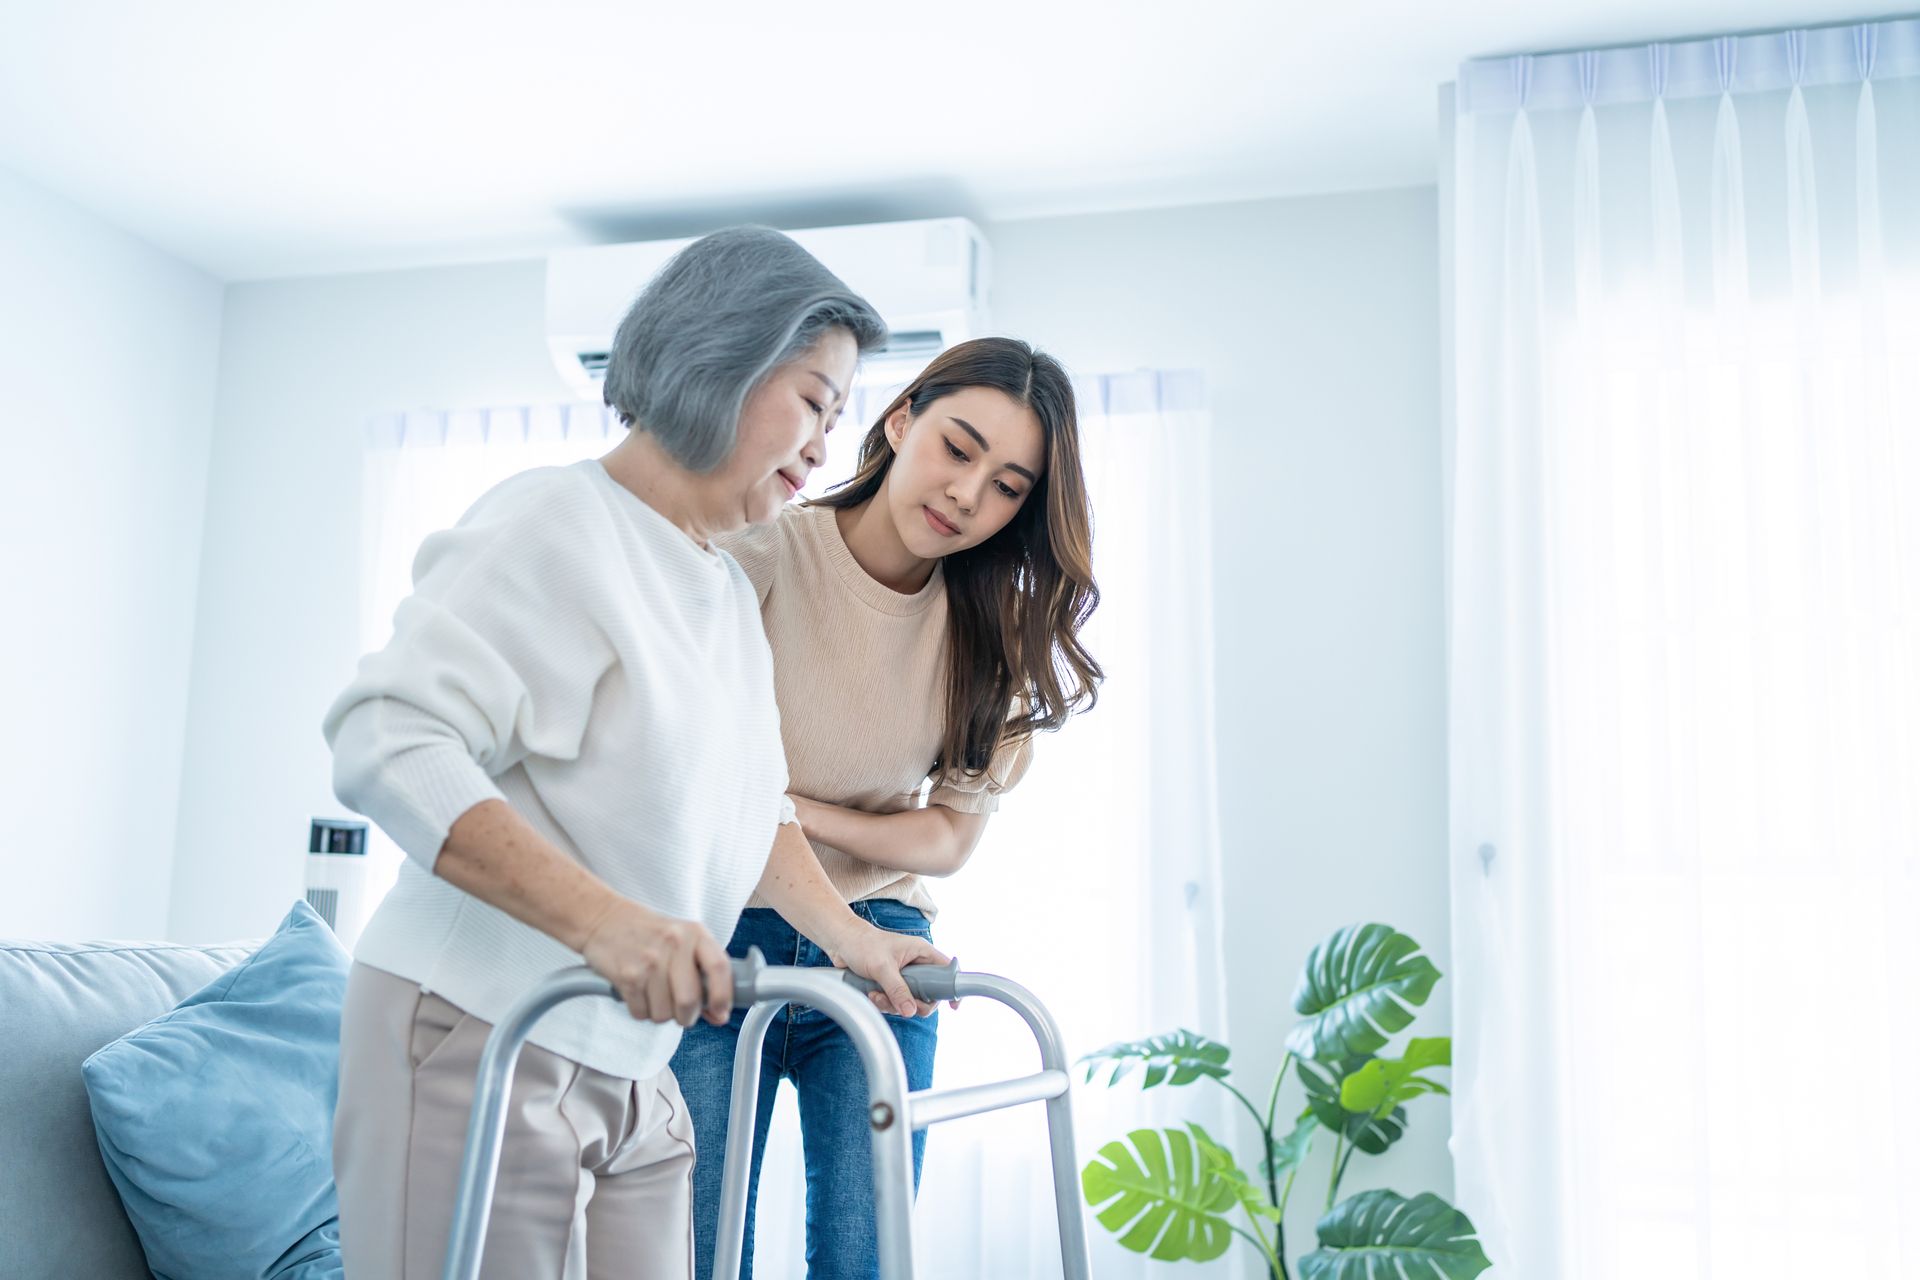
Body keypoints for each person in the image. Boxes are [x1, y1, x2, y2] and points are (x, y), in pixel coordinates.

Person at [322, 226, 947, 1280]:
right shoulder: (559, 520)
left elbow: (753, 814)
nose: (825, 445)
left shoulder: (718, 589)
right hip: (482, 1025)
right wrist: (609, 925)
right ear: (722, 355)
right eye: (811, 400)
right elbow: (389, 737)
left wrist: (855, 938)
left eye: (838, 417)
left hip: (632, 1060)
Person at [671, 336, 1103, 1279]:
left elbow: (945, 838)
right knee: (696, 1256)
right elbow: (692, 784)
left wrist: (796, 809)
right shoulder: (761, 556)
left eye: (1008, 486)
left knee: (866, 1260)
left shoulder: (994, 630)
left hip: (881, 948)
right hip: (717, 933)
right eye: (958, 447)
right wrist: (768, 813)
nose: (967, 495)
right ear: (902, 419)